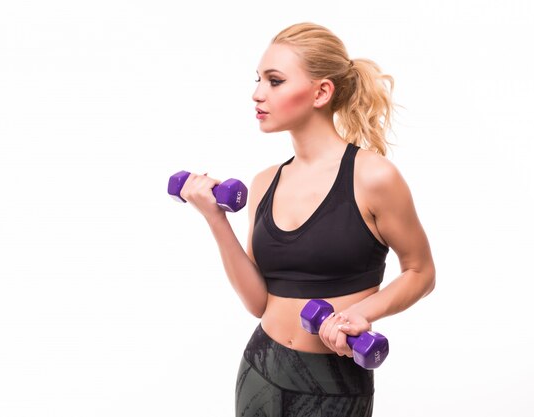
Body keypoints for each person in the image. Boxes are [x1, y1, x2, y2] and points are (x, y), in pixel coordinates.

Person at [178, 22, 436, 417]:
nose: (257, 93)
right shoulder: (264, 183)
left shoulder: (372, 176)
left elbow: (420, 272)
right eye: (258, 79)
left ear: (321, 92)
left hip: (335, 383)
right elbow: (258, 301)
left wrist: (360, 314)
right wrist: (215, 219)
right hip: (261, 368)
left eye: (275, 81)